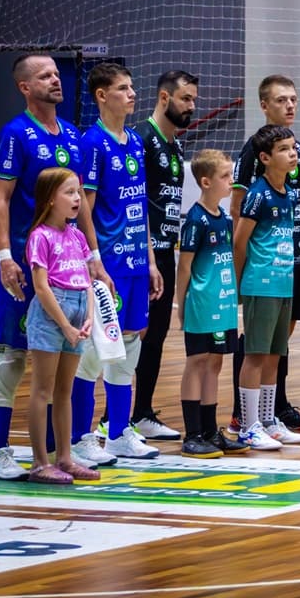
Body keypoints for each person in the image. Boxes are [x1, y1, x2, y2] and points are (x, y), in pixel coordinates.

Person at [0, 54, 95, 481]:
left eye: (56, 73)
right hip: (24, 261)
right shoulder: (15, 135)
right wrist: (4, 257)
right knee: (14, 354)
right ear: (25, 87)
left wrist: (94, 258)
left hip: (67, 263)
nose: (56, 80)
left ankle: (61, 452)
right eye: (45, 75)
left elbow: (80, 200)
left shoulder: (70, 133)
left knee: (68, 363)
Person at [71, 62, 162, 463]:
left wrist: (152, 260)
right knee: (95, 350)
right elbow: (84, 208)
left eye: (132, 87)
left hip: (135, 264)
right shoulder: (92, 142)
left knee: (129, 347)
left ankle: (120, 432)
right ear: (101, 96)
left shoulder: (134, 142)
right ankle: (78, 436)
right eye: (123, 89)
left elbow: (139, 206)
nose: (132, 94)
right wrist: (93, 260)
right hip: (105, 264)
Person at [229, 75, 300, 433]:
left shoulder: (299, 151)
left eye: (293, 99)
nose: (290, 105)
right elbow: (238, 211)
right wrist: (243, 270)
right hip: (264, 265)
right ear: (264, 105)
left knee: (281, 339)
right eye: (281, 100)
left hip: (292, 256)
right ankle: (243, 414)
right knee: (256, 340)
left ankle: (272, 409)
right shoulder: (254, 150)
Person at [129, 70, 198, 441]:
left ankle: (142, 413)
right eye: (186, 99)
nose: (191, 106)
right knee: (133, 336)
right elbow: (135, 202)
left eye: (193, 100)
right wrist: (149, 254)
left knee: (155, 336)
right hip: (142, 255)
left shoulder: (176, 145)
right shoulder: (141, 140)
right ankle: (115, 418)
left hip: (165, 252)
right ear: (164, 97)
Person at [23, 168, 100, 484]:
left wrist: (89, 317)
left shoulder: (78, 236)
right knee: (43, 389)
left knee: (64, 391)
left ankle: (65, 457)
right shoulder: (40, 236)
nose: (77, 199)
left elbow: (87, 281)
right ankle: (40, 462)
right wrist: (65, 326)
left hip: (79, 313)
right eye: (69, 192)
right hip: (51, 315)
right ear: (50, 198)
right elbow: (41, 287)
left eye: (79, 192)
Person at [233, 124, 300, 450]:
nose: (292, 154)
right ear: (264, 158)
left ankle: (267, 420)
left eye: (293, 148)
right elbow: (239, 242)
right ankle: (248, 426)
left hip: (283, 281)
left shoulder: (289, 192)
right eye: (284, 150)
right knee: (256, 354)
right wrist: (239, 284)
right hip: (260, 284)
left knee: (276, 355)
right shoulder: (257, 195)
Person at [175, 149, 249, 459]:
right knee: (198, 361)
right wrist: (181, 306)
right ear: (205, 181)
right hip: (202, 304)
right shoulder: (195, 219)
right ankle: (192, 434)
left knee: (216, 363)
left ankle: (209, 430)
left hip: (224, 302)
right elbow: (185, 267)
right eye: (225, 177)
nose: (231, 181)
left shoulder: (224, 218)